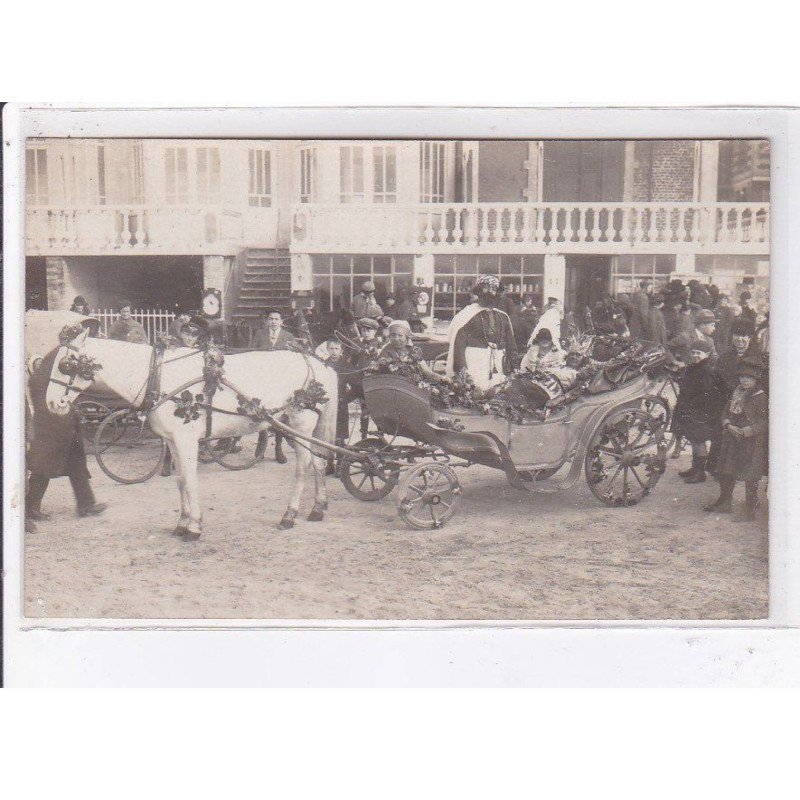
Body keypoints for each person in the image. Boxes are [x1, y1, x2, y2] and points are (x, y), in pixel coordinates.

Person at [26, 349, 107, 522]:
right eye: (36, 364)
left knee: (77, 466)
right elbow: (47, 408)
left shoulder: (55, 383)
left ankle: (86, 504)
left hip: (68, 430)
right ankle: (31, 507)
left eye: (42, 363)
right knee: (42, 468)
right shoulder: (38, 383)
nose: (40, 366)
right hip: (49, 432)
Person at [703, 357, 768, 521]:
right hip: (732, 437)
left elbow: (765, 421)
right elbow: (726, 411)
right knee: (727, 470)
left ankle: (749, 510)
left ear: (756, 379)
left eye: (749, 377)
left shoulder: (760, 397)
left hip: (750, 442)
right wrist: (727, 424)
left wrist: (748, 431)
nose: (744, 380)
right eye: (742, 377)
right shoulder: (737, 392)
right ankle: (725, 502)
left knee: (750, 474)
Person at [446, 274, 517, 391]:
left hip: (497, 367)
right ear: (478, 291)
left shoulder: (503, 317)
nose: (490, 292)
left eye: (494, 289)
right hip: (474, 366)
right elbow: (458, 346)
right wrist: (463, 371)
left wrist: (513, 368)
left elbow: (511, 345)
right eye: (486, 288)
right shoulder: (466, 315)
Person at [671, 339, 726, 484]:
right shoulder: (694, 367)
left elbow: (707, 395)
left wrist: (693, 406)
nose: (695, 355)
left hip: (700, 413)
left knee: (698, 441)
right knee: (693, 440)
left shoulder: (706, 371)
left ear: (707, 354)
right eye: (693, 352)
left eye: (699, 353)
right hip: (691, 410)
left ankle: (700, 473)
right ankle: (695, 468)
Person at [252, 310, 295, 464]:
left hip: (280, 382)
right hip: (263, 381)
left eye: (277, 319)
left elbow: (292, 360)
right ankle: (261, 447)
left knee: (279, 415)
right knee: (262, 412)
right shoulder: (260, 334)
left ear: (281, 321)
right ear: (267, 321)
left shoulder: (288, 337)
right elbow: (251, 354)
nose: (273, 322)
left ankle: (278, 448)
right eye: (271, 319)